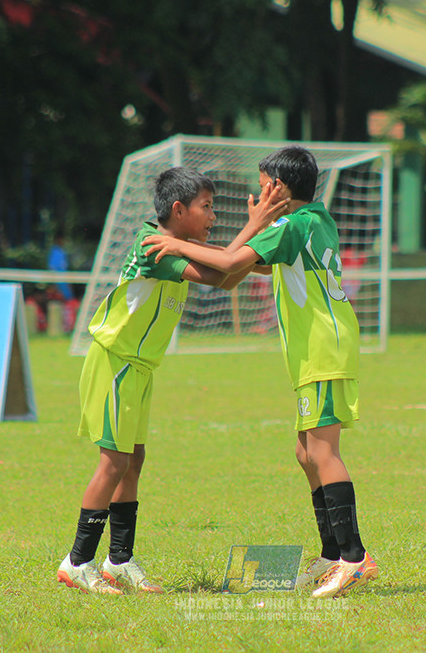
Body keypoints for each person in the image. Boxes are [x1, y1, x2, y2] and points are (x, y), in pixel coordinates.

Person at [142, 146, 378, 599]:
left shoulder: (292, 225)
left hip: (322, 348)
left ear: (281, 189)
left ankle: (354, 557)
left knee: (323, 452)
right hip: (318, 350)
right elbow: (251, 263)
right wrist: (235, 235)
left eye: (264, 185)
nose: (259, 193)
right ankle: (331, 554)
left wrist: (177, 244)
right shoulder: (313, 220)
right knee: (306, 452)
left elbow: (232, 263)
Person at [56, 166, 287, 596]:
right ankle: (77, 562)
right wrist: (254, 227)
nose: (213, 215)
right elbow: (218, 276)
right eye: (207, 206)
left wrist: (259, 252)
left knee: (133, 460)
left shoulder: (181, 245)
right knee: (113, 463)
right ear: (178, 210)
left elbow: (229, 273)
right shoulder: (154, 246)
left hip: (139, 367)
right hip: (116, 362)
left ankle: (118, 561)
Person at [47, 231, 74, 301]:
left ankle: (68, 300)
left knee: (66, 290)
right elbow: (52, 266)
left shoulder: (62, 250)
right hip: (57, 275)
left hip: (63, 275)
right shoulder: (54, 250)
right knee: (59, 291)